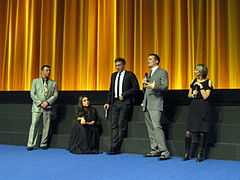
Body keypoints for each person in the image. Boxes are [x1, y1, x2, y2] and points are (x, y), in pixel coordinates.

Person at [104, 58, 140, 154]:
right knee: (113, 125)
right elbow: (111, 90)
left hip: (125, 102)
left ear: (124, 65)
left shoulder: (130, 75)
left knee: (121, 124)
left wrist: (124, 95)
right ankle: (113, 146)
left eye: (119, 65)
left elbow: (136, 88)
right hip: (115, 103)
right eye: (116, 65)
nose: (117, 67)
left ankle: (116, 147)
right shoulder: (113, 75)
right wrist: (108, 102)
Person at [142, 53, 170, 160]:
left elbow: (165, 86)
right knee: (150, 129)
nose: (148, 61)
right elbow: (147, 90)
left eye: (150, 59)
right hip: (147, 104)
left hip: (156, 103)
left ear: (157, 61)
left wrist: (155, 86)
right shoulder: (149, 73)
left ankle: (165, 151)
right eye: (148, 59)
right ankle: (155, 149)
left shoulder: (162, 72)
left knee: (157, 127)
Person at [184, 64, 213, 162]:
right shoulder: (193, 81)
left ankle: (201, 154)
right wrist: (192, 95)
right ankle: (187, 153)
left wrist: (200, 87)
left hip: (203, 107)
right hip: (194, 107)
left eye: (196, 70)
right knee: (188, 132)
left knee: (202, 131)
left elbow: (206, 97)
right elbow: (189, 95)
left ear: (201, 71)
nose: (195, 72)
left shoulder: (208, 81)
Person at [27, 65, 58, 151]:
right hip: (37, 107)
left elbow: (55, 95)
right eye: (46, 70)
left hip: (48, 107)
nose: (48, 72)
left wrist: (47, 102)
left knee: (46, 126)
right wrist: (40, 103)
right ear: (42, 71)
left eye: (49, 71)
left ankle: (43, 144)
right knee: (34, 124)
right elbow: (32, 94)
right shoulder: (35, 81)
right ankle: (30, 144)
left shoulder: (53, 83)